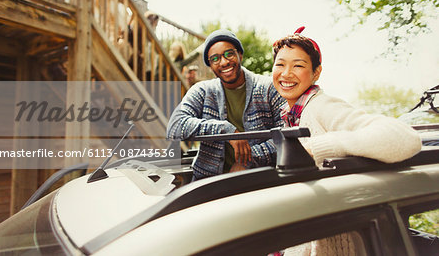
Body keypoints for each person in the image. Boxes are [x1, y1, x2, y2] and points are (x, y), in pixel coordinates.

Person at [272, 26, 422, 255]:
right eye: (280, 64)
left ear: (316, 73)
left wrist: (322, 146)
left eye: (298, 65)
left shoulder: (321, 106)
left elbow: (406, 139)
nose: (286, 73)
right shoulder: (291, 114)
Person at [167, 29, 286, 180]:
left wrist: (247, 160)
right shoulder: (202, 91)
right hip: (208, 183)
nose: (223, 62)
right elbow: (175, 127)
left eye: (229, 54)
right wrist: (225, 129)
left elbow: (286, 135)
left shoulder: (268, 88)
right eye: (215, 58)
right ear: (210, 65)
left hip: (259, 183)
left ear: (240, 55)